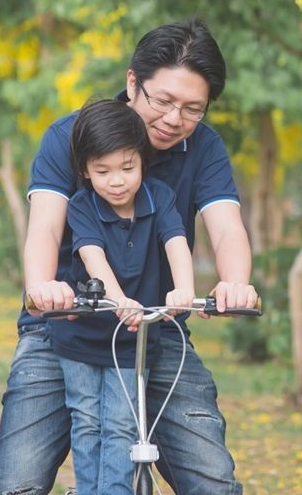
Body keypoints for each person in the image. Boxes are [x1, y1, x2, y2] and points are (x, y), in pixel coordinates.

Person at [0, 19, 258, 495]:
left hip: (154, 330)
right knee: (16, 483)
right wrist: (41, 288)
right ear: (133, 82)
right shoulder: (71, 135)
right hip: (63, 326)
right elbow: (46, 226)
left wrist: (235, 281)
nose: (175, 119)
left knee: (213, 481)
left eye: (193, 109)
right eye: (164, 101)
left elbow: (226, 226)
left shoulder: (204, 147)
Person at [52, 98, 196, 494]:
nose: (117, 181)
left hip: (133, 341)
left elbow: (176, 242)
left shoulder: (160, 197)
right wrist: (119, 301)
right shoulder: (82, 205)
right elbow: (91, 256)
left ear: (142, 161)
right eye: (103, 171)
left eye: (127, 168)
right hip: (81, 338)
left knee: (121, 425)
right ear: (85, 170)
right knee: (86, 422)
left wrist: (183, 288)